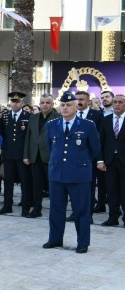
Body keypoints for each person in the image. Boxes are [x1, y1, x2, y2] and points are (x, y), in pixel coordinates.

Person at [43, 91, 100, 254]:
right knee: (56, 209)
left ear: (77, 107)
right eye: (63, 105)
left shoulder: (88, 125)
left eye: (69, 105)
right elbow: (50, 146)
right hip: (57, 174)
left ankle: (82, 243)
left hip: (79, 175)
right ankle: (55, 239)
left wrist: (79, 162)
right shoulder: (52, 125)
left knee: (81, 210)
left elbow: (94, 150)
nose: (65, 108)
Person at [23, 93, 60, 218]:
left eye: (48, 102)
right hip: (35, 156)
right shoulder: (33, 118)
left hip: (51, 157)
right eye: (42, 102)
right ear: (39, 104)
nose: (45, 105)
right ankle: (36, 209)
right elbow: (28, 137)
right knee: (36, 185)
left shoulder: (58, 117)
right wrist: (26, 155)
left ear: (52, 104)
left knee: (53, 186)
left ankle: (55, 211)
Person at [0, 92, 33, 217]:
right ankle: (7, 206)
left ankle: (25, 207)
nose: (15, 103)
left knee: (25, 182)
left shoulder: (28, 116)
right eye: (13, 101)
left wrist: (27, 154)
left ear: (22, 103)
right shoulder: (5, 115)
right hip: (8, 154)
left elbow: (30, 137)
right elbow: (2, 133)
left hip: (22, 155)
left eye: (18, 101)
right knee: (8, 182)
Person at [74, 90, 105, 218]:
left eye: (82, 99)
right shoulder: (71, 114)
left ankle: (88, 215)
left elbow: (100, 138)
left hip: (89, 158)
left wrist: (98, 159)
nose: (79, 102)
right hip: (73, 158)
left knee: (89, 188)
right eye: (77, 99)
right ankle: (76, 213)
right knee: (75, 187)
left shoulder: (97, 115)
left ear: (88, 102)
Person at [97, 94, 125, 226]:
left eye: (120, 102)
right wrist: (100, 160)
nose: (117, 104)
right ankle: (113, 217)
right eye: (115, 102)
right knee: (112, 191)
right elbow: (100, 142)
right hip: (109, 161)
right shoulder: (105, 120)